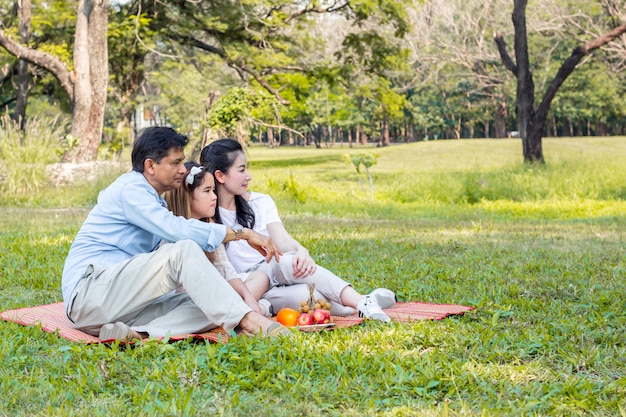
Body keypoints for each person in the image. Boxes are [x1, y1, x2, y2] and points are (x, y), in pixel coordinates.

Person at [61, 127, 291, 341]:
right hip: (89, 295)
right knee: (182, 250)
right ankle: (249, 321)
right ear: (150, 166)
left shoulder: (153, 200)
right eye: (176, 163)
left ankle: (138, 334)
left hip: (120, 309)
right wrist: (243, 233)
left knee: (209, 299)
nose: (183, 169)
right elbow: (176, 230)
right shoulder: (131, 190)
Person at [200, 138, 396, 322]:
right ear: (220, 176)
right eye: (241, 170)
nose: (248, 176)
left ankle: (364, 302)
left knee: (286, 260)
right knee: (327, 304)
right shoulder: (205, 213)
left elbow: (282, 240)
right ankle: (365, 300)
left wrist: (301, 250)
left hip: (275, 267)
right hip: (250, 286)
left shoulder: (261, 202)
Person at [162, 162, 273, 317]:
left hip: (216, 293)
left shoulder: (210, 225)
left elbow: (225, 268)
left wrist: (248, 297)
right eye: (207, 191)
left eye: (213, 190)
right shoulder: (172, 233)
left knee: (261, 277)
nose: (214, 197)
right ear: (187, 196)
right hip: (186, 299)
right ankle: (252, 310)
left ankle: (246, 309)